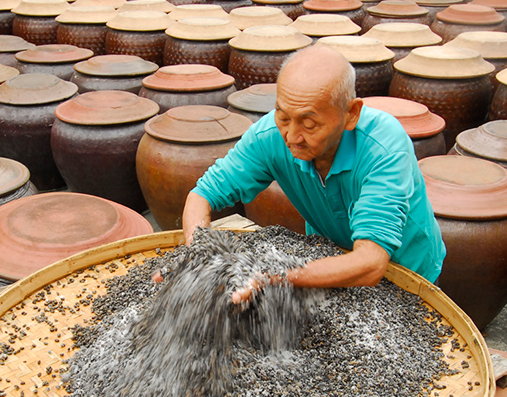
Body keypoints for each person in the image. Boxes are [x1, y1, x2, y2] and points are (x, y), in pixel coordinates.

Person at [183, 44, 445, 303]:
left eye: (310, 125)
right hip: (328, 258)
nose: (293, 136)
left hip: (403, 265)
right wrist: (201, 257)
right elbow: (202, 195)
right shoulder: (270, 136)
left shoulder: (383, 147)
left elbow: (371, 262)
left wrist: (272, 274)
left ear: (351, 114)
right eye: (283, 117)